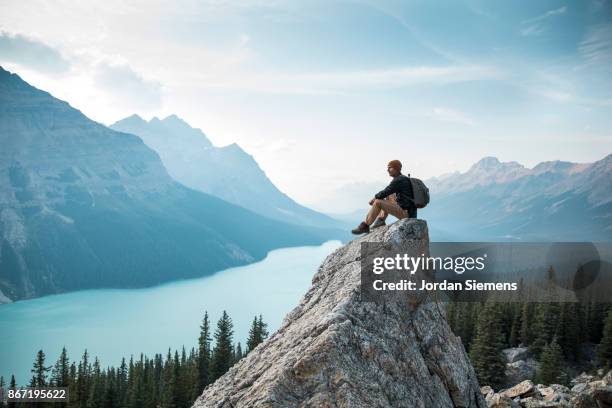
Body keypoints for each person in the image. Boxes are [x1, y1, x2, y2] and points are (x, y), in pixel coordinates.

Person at [351, 160, 417, 235]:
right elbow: (387, 193)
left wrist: (374, 198)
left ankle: (365, 225)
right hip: (409, 211)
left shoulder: (399, 180)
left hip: (406, 214)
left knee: (378, 202)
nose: (387, 170)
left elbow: (385, 191)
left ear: (396, 168)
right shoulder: (403, 178)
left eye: (390, 168)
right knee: (389, 196)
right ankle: (380, 220)